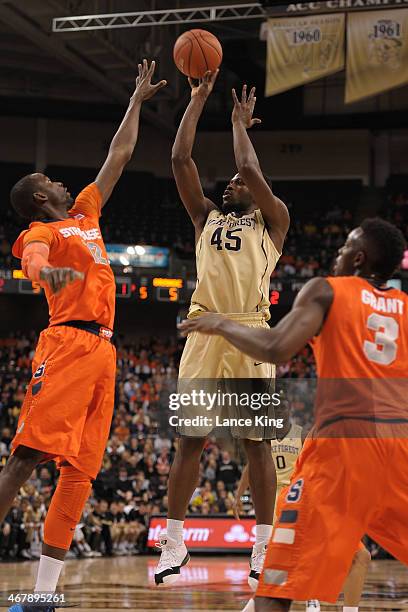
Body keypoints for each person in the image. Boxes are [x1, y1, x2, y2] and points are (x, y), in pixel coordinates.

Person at [179, 218, 406, 611]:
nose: (335, 257)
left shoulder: (327, 290)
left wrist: (220, 322)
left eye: (342, 249)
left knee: (277, 588)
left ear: (358, 258)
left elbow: (276, 347)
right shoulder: (405, 307)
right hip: (401, 445)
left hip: (344, 448)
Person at [4, 60, 166, 612]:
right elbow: (34, 259)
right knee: (25, 458)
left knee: (80, 473)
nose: (61, 181)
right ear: (39, 198)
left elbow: (117, 157)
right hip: (68, 344)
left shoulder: (86, 214)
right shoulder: (43, 229)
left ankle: (43, 595)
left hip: (106, 352)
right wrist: (46, 273)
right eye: (51, 181)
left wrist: (136, 102)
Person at [155, 76, 290, 586]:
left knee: (256, 443)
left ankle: (261, 547)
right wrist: (195, 101)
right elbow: (179, 161)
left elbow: (252, 168)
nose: (229, 183)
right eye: (228, 182)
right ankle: (174, 541)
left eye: (236, 182)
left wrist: (237, 124)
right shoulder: (205, 217)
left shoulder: (273, 220)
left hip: (252, 334)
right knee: (190, 439)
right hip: (204, 334)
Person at [233, 402, 370, 611]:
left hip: (303, 499)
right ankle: (305, 596)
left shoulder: (307, 433)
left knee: (357, 557)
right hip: (300, 500)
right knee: (287, 567)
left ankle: (281, 596)